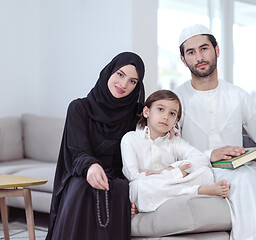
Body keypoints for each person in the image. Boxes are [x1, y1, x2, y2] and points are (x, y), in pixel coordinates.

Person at [175, 24, 256, 240]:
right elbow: (170, 150)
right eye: (191, 52)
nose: (199, 56)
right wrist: (209, 155)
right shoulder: (175, 98)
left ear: (217, 50)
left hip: (237, 166)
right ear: (183, 60)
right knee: (244, 178)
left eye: (204, 48)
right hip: (201, 170)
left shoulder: (237, 95)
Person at [46, 52, 145, 240]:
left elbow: (151, 142)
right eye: (120, 74)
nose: (123, 85)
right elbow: (77, 150)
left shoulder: (139, 115)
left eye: (133, 81)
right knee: (82, 188)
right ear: (109, 72)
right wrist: (91, 166)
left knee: (120, 188)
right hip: (84, 172)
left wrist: (168, 132)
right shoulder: (79, 108)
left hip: (120, 178)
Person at [120, 90, 229, 213]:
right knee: (138, 187)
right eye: (160, 109)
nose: (166, 116)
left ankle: (159, 200)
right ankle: (198, 191)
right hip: (149, 186)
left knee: (205, 172)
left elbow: (201, 159)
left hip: (169, 185)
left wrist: (170, 169)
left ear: (175, 122)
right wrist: (175, 174)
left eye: (172, 113)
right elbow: (133, 175)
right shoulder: (130, 139)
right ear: (146, 112)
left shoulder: (174, 141)